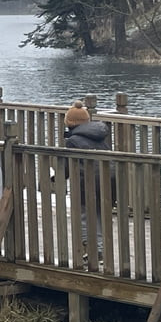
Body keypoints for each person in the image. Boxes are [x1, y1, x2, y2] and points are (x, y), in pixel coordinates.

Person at [64, 100, 112, 260]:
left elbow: (67, 165)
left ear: (69, 123)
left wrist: (57, 177)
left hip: (86, 183)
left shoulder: (72, 141)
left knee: (83, 215)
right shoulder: (99, 136)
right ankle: (101, 247)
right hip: (108, 180)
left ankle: (92, 249)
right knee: (99, 213)